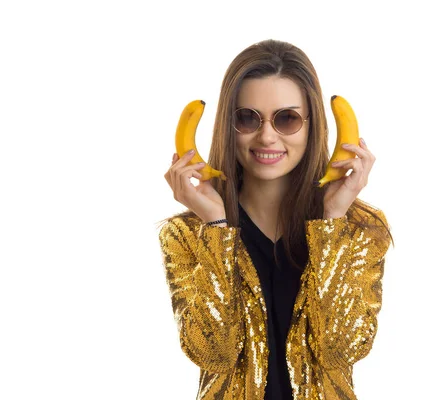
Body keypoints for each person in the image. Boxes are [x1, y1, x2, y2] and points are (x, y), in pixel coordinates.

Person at [157, 38, 394, 400]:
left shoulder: (360, 228)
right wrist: (216, 228)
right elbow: (213, 352)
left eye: (287, 118)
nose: (267, 136)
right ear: (228, 125)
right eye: (247, 118)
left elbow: (344, 348)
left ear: (312, 125)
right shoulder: (188, 233)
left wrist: (331, 222)